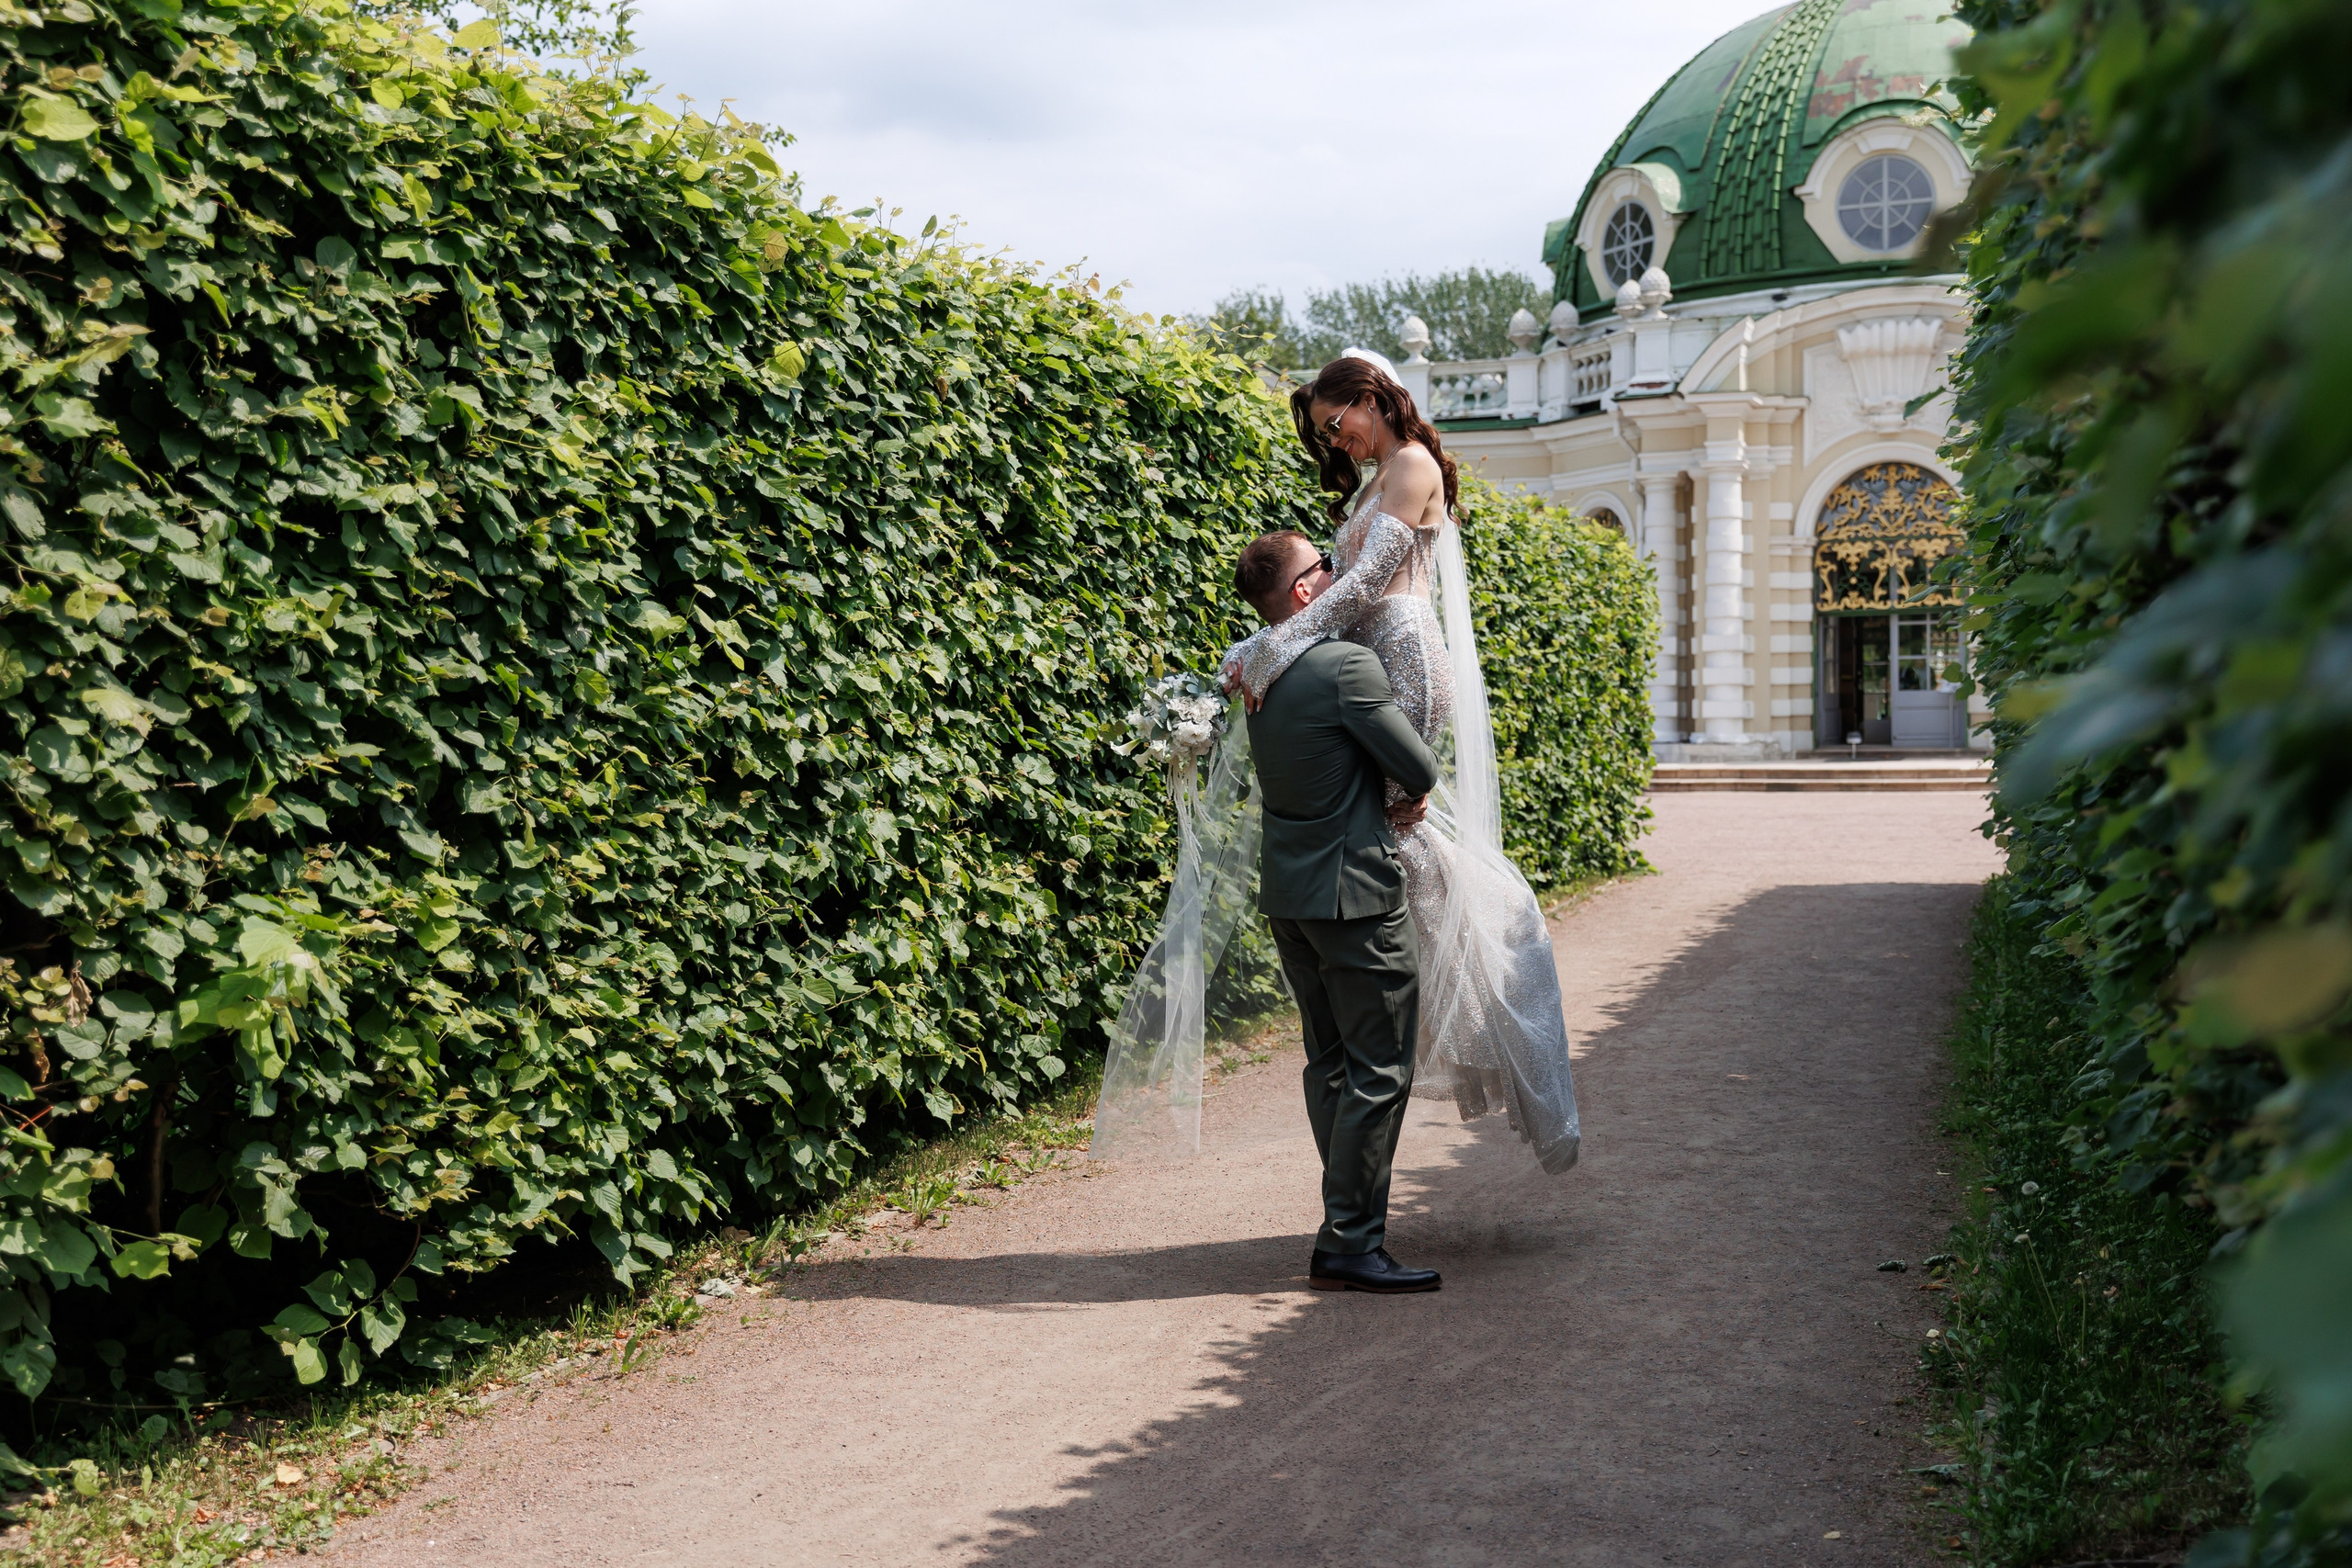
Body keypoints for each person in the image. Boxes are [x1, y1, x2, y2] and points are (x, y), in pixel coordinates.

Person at [1222, 353, 1581, 1176]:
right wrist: (1260, 646)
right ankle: (1424, 1008)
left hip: (1406, 661)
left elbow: (1355, 590)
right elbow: (1338, 593)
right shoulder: (1371, 481)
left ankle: (1466, 1001)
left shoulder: (1413, 464)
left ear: (1370, 397)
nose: (1335, 440)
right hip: (1366, 660)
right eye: (1323, 433)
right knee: (1388, 836)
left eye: (1337, 421)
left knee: (1399, 829)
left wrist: (1267, 646)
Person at [1233, 528, 1444, 1293]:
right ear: (1302, 593)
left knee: (1328, 1061)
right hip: (1355, 893)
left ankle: (1344, 1217)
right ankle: (1350, 1240)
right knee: (1381, 1066)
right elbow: (1417, 765)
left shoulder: (1258, 667)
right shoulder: (1344, 664)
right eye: (1326, 564)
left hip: (1290, 895)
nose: (1340, 570)